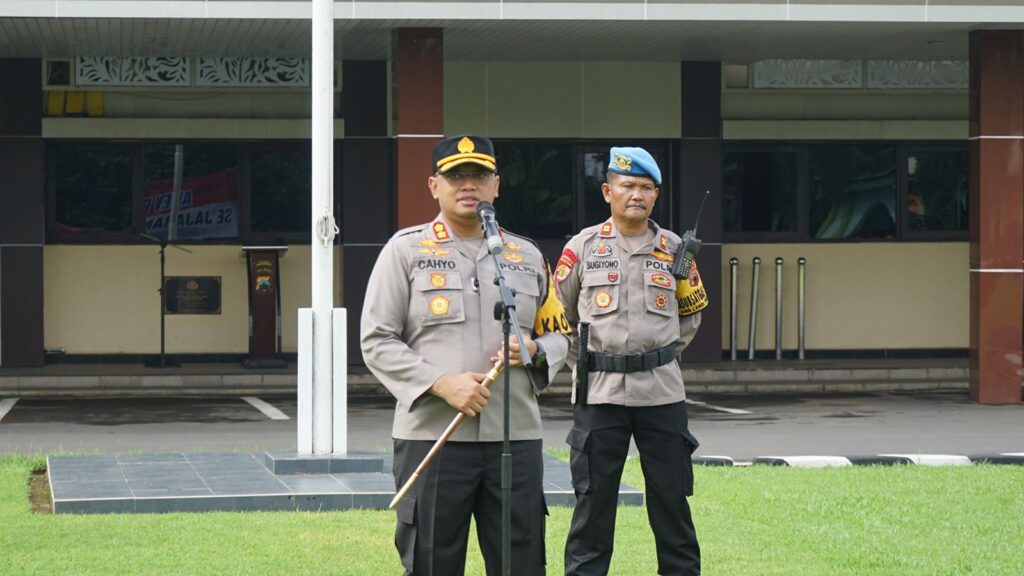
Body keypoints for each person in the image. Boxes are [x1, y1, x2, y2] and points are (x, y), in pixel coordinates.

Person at [361, 134, 571, 576]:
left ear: (497, 185)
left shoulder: (527, 255)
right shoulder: (406, 250)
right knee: (432, 562)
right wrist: (442, 384)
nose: (467, 185)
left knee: (523, 562)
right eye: (455, 176)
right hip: (434, 438)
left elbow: (560, 338)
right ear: (433, 186)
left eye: (478, 175)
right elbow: (376, 339)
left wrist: (534, 349)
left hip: (515, 437)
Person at [555, 147, 708, 576]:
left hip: (661, 393)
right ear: (608, 191)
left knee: (671, 502)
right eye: (627, 186)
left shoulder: (677, 250)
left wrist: (656, 356)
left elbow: (691, 313)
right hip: (599, 394)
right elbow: (557, 315)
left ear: (656, 196)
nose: (636, 194)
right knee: (592, 506)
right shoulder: (582, 247)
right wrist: (583, 362)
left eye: (646, 188)